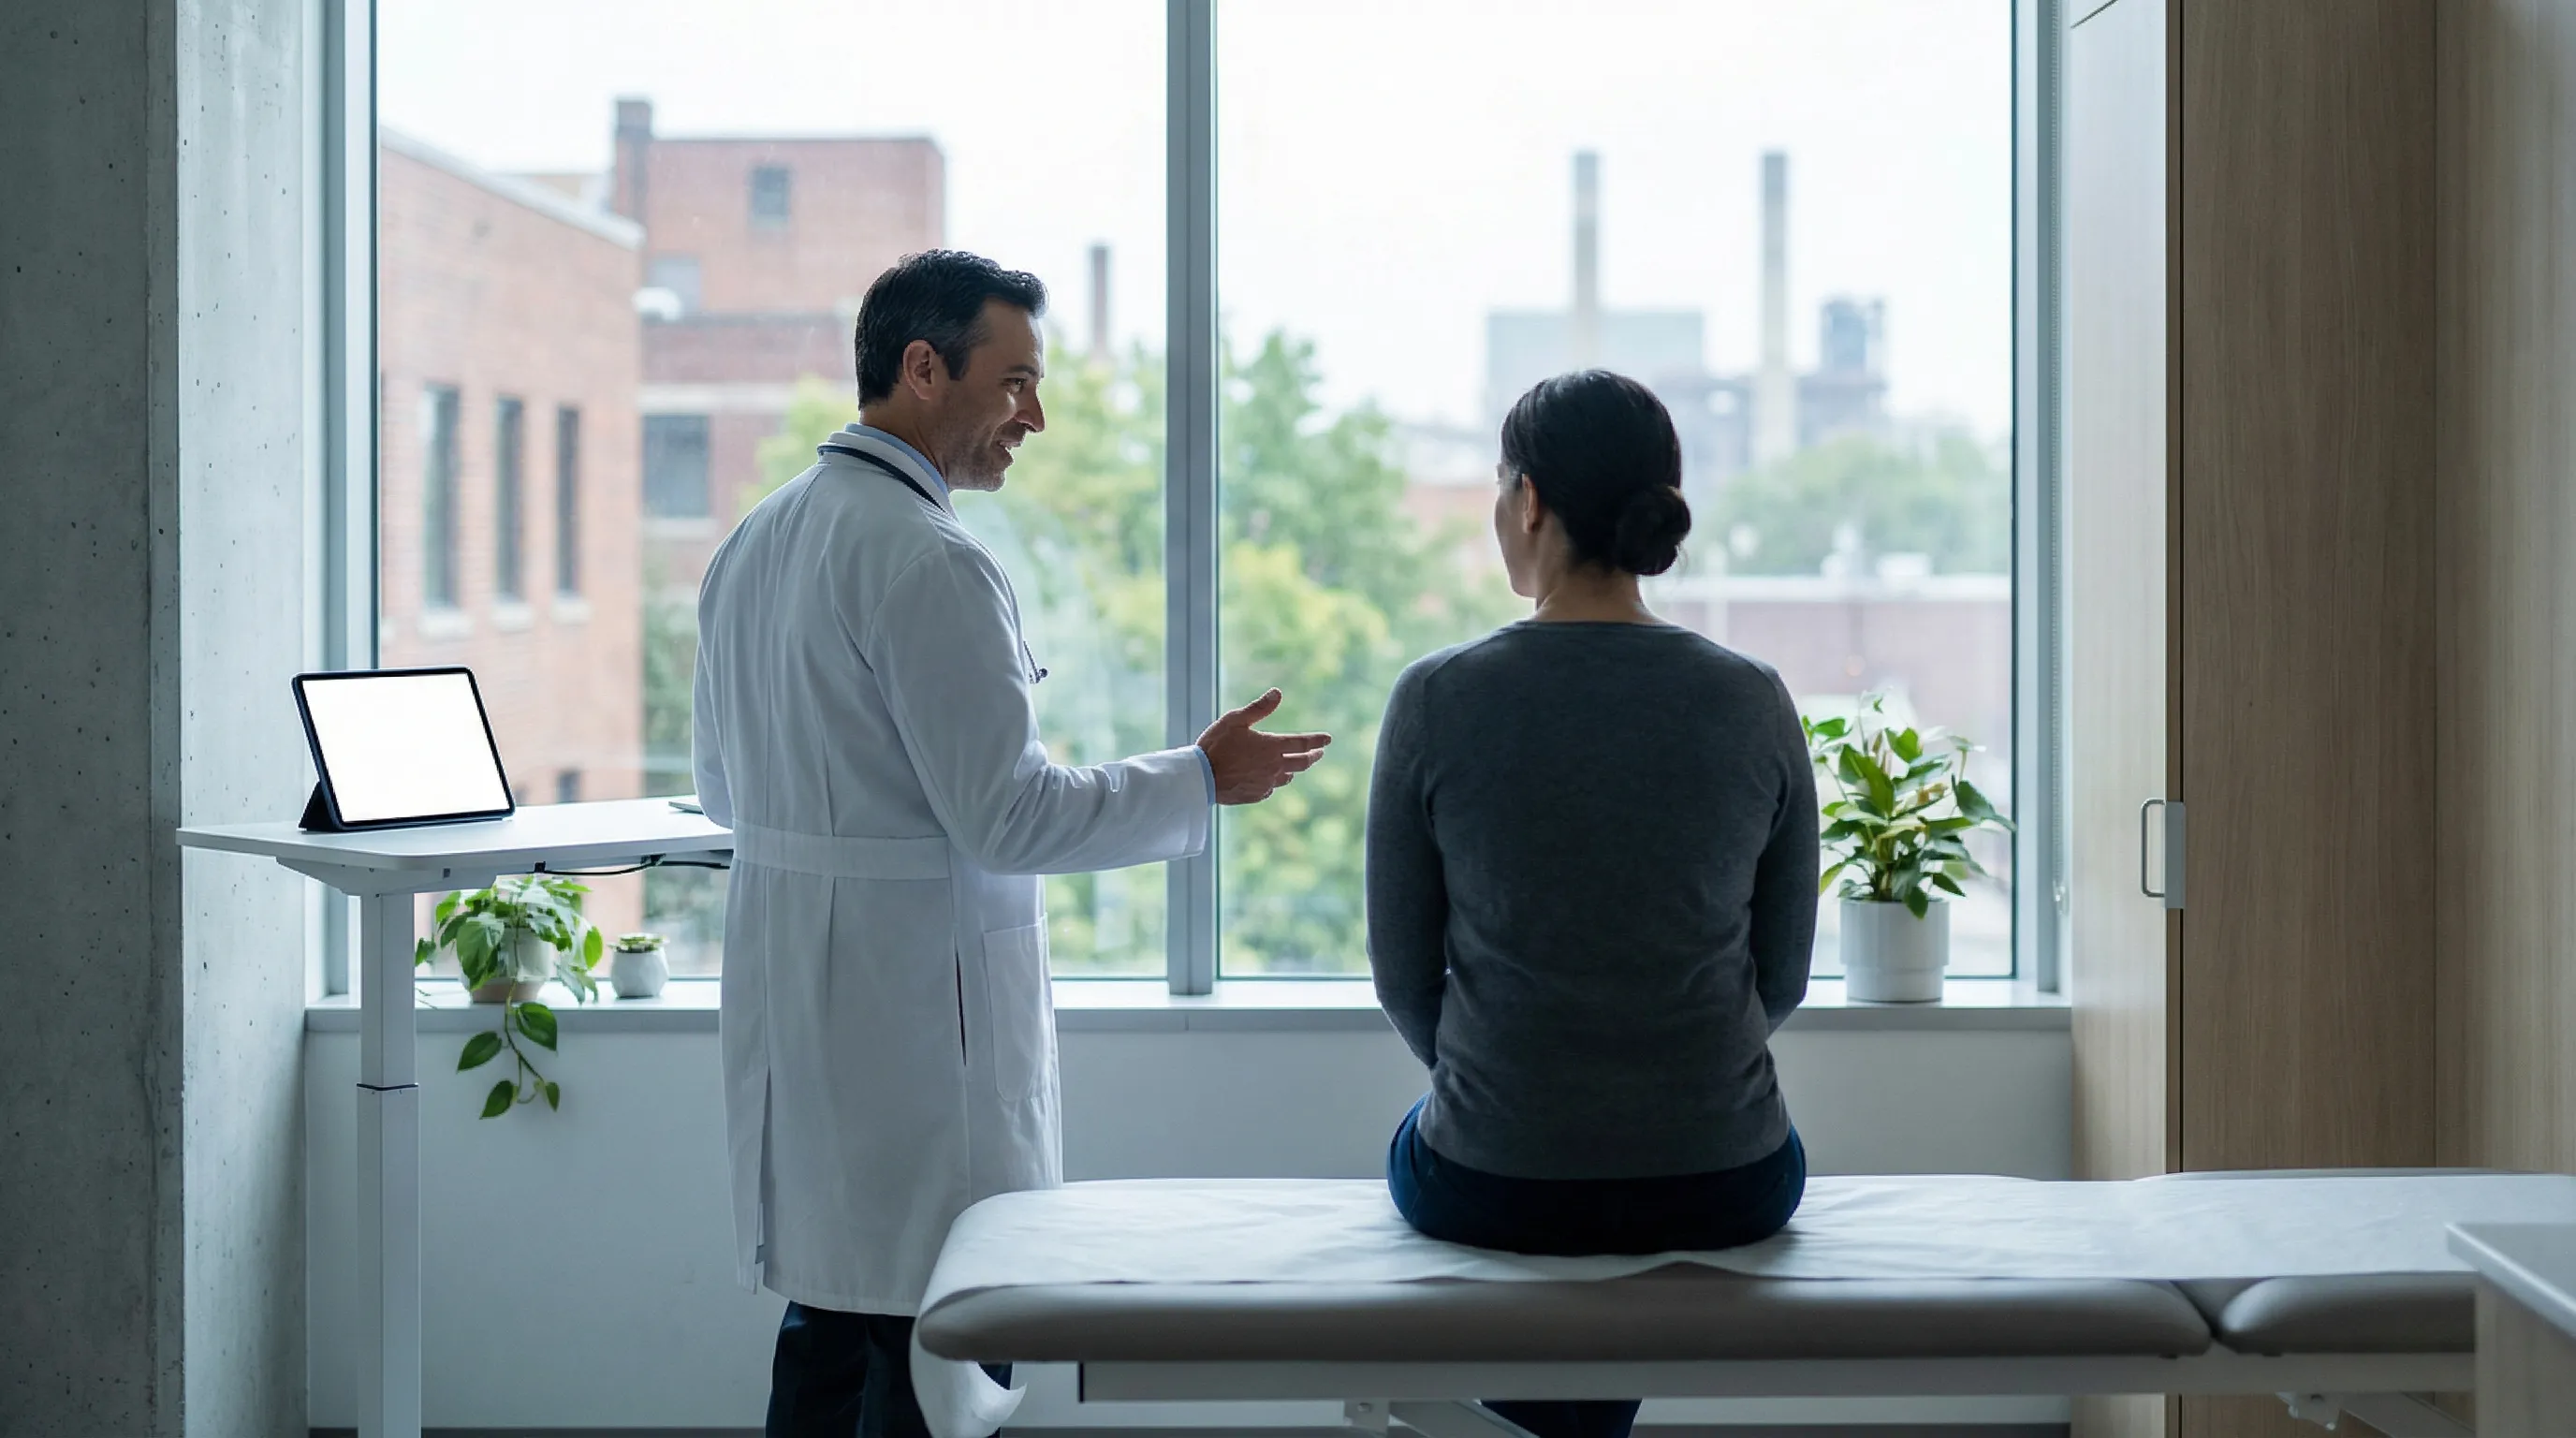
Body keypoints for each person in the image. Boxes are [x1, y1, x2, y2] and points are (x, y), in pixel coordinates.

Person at [693, 250, 1330, 1438]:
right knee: (921, 1346)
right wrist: (1198, 778)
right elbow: (1009, 816)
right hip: (910, 1035)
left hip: (798, 1007)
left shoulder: (757, 540)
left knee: (830, 1323)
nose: (1034, 417)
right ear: (923, 369)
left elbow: (723, 791)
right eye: (1017, 381)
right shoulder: (930, 560)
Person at [1364, 369, 1818, 1438]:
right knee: (1610, 1202)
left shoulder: (1437, 698)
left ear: (1527, 502)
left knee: (1458, 1160)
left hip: (1496, 1178)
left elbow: (1401, 978)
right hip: (1728, 1178)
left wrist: (1524, 1090)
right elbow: (1782, 977)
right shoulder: (1752, 698)